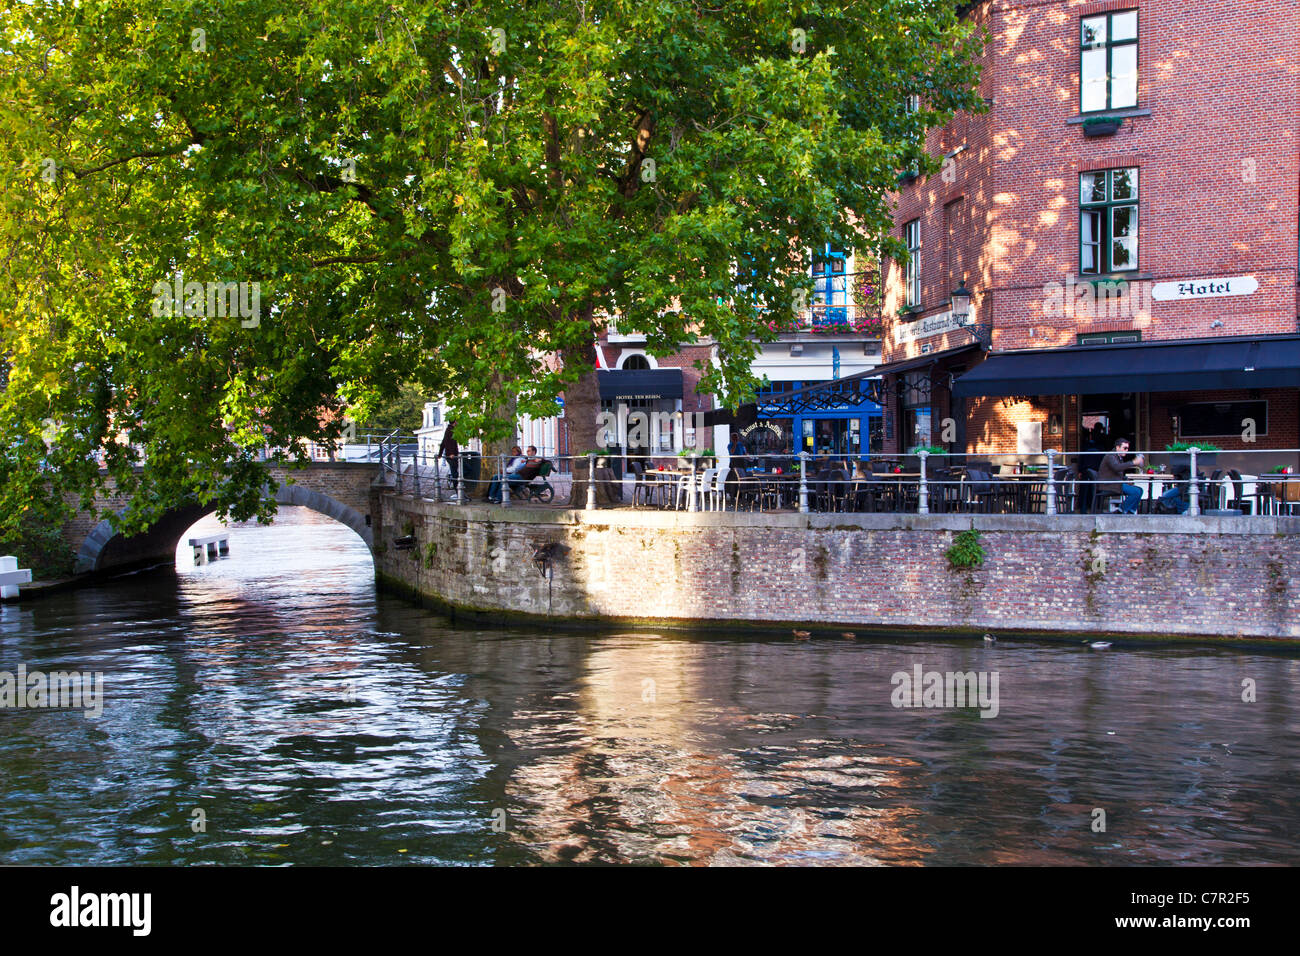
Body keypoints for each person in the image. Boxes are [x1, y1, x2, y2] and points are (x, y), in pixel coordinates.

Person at [1097, 438, 1144, 513]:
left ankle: (1131, 511)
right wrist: (1133, 462)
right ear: (1117, 447)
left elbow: (1117, 472)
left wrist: (1125, 481)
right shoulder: (1110, 456)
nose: (1126, 450)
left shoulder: (1117, 457)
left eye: (1127, 448)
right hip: (1109, 484)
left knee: (1140, 490)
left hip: (1116, 483)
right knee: (1136, 492)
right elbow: (1117, 468)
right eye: (1124, 448)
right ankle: (1121, 509)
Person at [438, 419, 460, 498]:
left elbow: (443, 443)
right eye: (456, 421)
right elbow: (446, 443)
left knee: (455, 473)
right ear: (455, 422)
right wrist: (451, 453)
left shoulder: (449, 430)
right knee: (455, 474)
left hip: (451, 455)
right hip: (451, 456)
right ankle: (458, 491)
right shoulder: (450, 431)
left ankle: (458, 491)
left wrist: (440, 454)